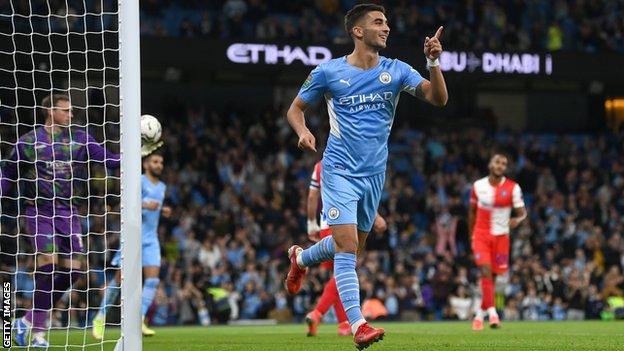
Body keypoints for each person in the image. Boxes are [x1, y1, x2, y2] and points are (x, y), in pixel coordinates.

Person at [284, 4, 447, 349]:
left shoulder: (397, 70)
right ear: (358, 31)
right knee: (347, 246)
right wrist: (302, 131)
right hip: (339, 168)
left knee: (350, 250)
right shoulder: (329, 72)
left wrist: (433, 63)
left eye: (386, 22)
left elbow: (437, 98)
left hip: (374, 175)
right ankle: (358, 325)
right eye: (378, 22)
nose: (386, 27)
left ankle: (300, 258)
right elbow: (295, 108)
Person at [1, 94, 120, 347]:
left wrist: (136, 152)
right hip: (39, 211)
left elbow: (109, 160)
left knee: (74, 271)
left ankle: (27, 322)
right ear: (50, 111)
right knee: (49, 266)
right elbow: (8, 174)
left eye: (71, 110)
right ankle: (38, 333)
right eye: (66, 110)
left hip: (70, 213)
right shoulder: (29, 143)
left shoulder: (80, 139)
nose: (71, 114)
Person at [92, 152, 171, 339]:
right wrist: (144, 205)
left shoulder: (162, 187)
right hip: (133, 236)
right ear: (146, 164)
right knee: (120, 281)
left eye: (161, 162)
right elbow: (124, 205)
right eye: (155, 161)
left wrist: (162, 209)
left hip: (151, 239)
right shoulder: (139, 181)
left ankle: (140, 319)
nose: (159, 164)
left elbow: (155, 207)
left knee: (152, 281)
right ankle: (100, 317)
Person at [304, 160, 386, 337]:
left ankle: (344, 323)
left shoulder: (319, 166)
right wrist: (375, 216)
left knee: (339, 274)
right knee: (345, 270)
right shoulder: (352, 160)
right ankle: (317, 313)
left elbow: (312, 196)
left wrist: (311, 224)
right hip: (346, 224)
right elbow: (361, 192)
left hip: (327, 224)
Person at [468, 153, 527, 330]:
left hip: (502, 238)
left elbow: (522, 212)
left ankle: (479, 315)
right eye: (497, 162)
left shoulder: (513, 188)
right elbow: (471, 212)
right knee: (485, 271)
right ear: (490, 164)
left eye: (503, 163)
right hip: (481, 236)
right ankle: (493, 315)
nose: (500, 165)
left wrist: (518, 220)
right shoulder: (478, 186)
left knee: (492, 278)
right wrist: (472, 235)